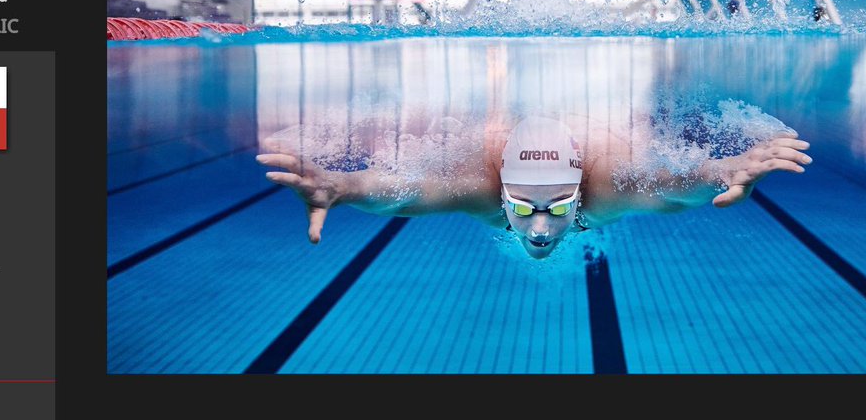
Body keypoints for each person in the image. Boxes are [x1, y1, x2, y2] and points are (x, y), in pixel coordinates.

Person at [256, 114, 810, 259]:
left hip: (597, 134)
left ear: (580, 193)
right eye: (521, 207)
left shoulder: (608, 186)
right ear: (501, 193)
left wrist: (723, 170)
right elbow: (405, 190)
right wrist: (343, 186)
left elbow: (670, 185)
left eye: (559, 206)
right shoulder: (476, 182)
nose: (541, 228)